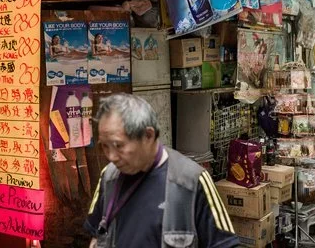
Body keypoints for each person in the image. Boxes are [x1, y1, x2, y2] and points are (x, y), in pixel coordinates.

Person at [84, 93, 239, 248]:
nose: (111, 156)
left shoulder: (192, 181)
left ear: (148, 135)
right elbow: (96, 238)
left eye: (119, 145)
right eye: (104, 146)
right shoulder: (109, 177)